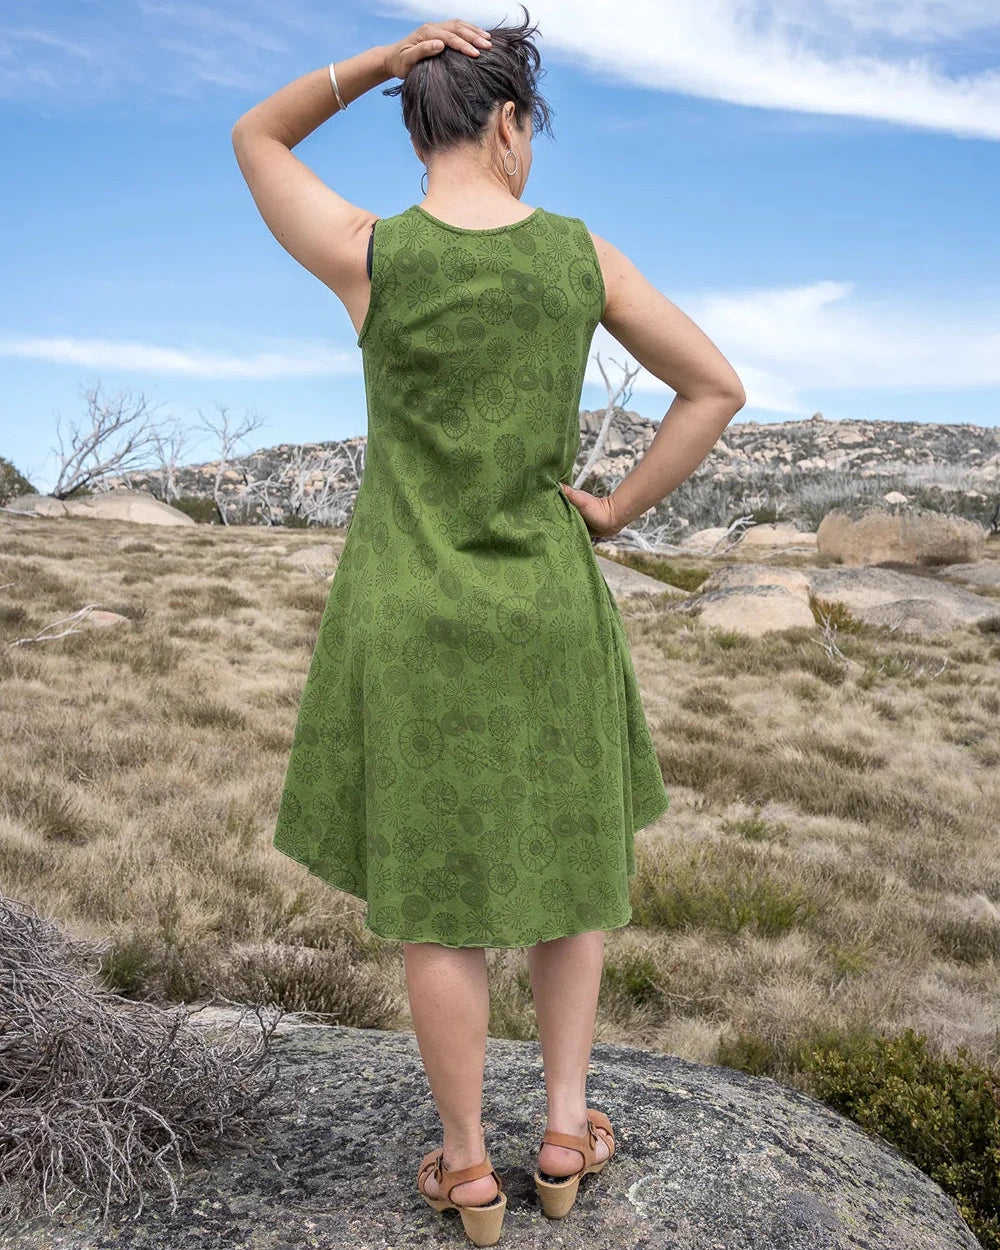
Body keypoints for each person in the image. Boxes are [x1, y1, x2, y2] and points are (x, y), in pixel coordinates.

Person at [233, 8, 745, 1244]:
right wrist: (613, 509)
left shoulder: (372, 254)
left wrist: (378, 58)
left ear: (419, 124)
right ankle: (563, 1134)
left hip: (410, 612)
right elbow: (714, 386)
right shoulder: (577, 256)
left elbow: (256, 135)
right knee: (570, 871)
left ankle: (466, 1166)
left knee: (437, 896)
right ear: (512, 123)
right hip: (545, 607)